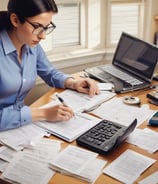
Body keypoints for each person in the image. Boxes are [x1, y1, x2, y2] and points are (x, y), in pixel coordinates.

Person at [0, 0, 100, 131]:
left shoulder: (31, 44)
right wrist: (44, 113)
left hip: (19, 127)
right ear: (15, 20)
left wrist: (72, 82)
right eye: (37, 27)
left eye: (46, 28)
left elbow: (49, 72)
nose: (43, 36)